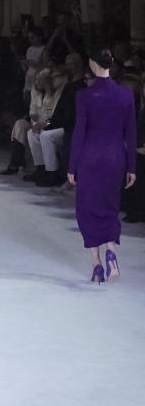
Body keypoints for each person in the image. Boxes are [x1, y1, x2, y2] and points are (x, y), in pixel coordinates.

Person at [67, 49, 138, 284]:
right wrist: (132, 166)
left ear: (92, 64)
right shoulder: (126, 95)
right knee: (110, 204)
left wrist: (72, 165)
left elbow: (79, 132)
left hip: (90, 156)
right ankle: (111, 251)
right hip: (115, 156)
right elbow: (131, 133)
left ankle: (96, 263)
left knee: (86, 208)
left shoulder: (85, 95)